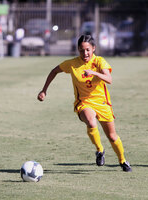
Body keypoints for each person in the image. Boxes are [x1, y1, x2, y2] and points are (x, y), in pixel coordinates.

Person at [37, 35, 132, 172]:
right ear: (78, 50)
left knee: (112, 136)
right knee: (90, 121)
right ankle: (100, 150)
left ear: (93, 48)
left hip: (102, 103)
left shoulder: (100, 61)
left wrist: (94, 72)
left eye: (88, 50)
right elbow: (54, 71)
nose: (85, 53)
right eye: (81, 50)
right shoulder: (72, 63)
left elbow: (109, 79)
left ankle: (123, 161)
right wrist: (44, 90)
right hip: (84, 103)